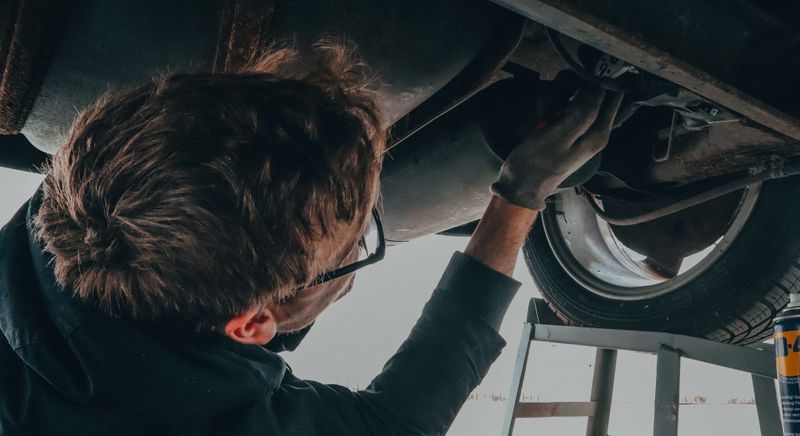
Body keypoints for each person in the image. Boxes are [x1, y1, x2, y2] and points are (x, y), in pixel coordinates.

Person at [0, 45, 622, 435]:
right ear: (250, 324)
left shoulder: (96, 187)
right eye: (357, 244)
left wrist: (518, 195)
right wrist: (517, 197)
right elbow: (400, 422)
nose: (357, 248)